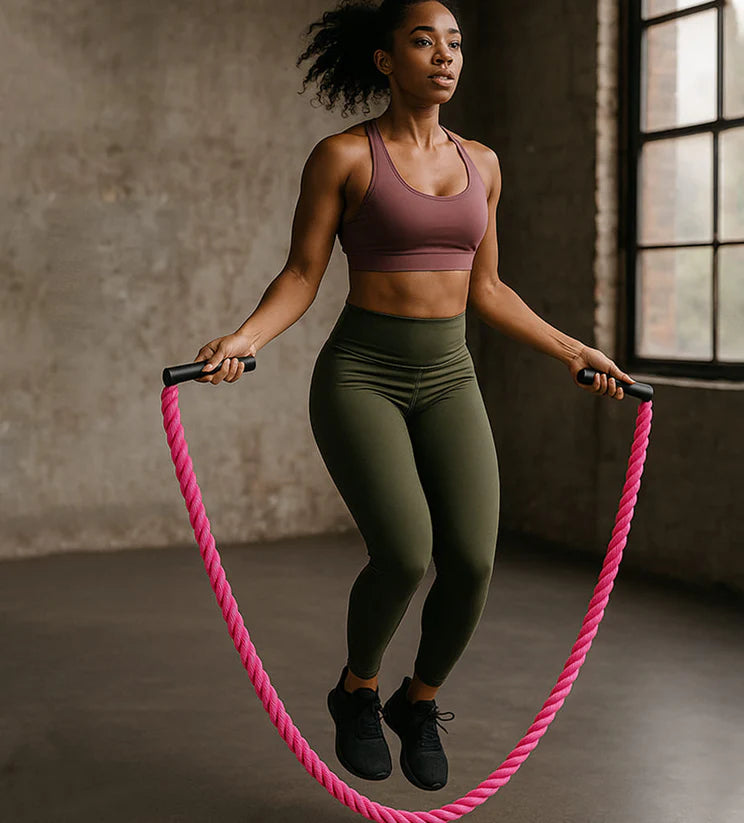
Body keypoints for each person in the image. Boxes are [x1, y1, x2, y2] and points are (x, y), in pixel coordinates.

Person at [192, 0, 634, 792]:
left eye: (455, 42)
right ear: (385, 60)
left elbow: (488, 289)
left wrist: (574, 350)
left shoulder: (484, 163)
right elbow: (301, 275)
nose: (444, 55)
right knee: (404, 552)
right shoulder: (342, 156)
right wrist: (244, 338)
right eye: (423, 40)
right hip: (362, 374)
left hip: (448, 376)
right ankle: (356, 690)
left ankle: (416, 701)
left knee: (469, 559)